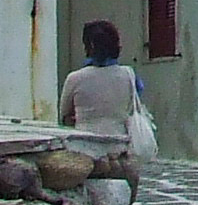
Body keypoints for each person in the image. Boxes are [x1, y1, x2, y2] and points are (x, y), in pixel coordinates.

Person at [58, 20, 158, 159]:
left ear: (90, 46)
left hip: (85, 149)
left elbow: (64, 117)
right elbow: (133, 105)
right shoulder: (129, 75)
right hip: (120, 149)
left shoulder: (74, 78)